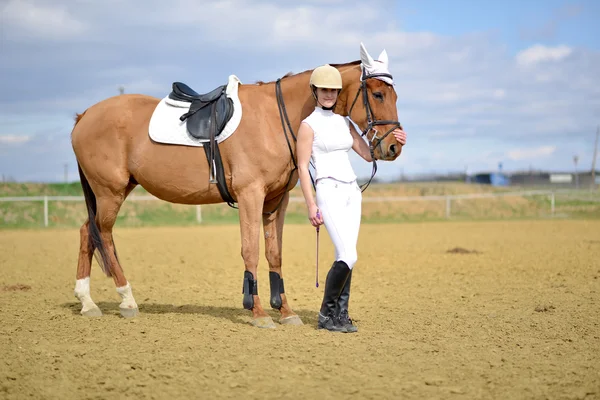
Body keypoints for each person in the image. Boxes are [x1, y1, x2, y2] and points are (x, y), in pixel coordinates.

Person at [297, 64, 407, 333]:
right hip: (328, 190)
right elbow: (302, 168)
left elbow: (369, 154)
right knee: (349, 254)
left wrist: (398, 140)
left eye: (333, 91)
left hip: (351, 192)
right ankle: (326, 314)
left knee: (345, 255)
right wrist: (311, 205)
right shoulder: (308, 126)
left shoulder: (343, 123)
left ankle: (341, 315)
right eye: (324, 90)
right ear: (315, 91)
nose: (329, 95)